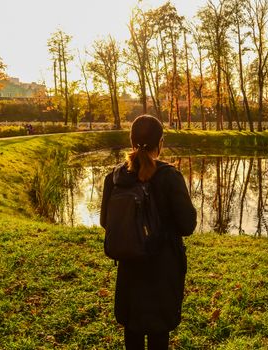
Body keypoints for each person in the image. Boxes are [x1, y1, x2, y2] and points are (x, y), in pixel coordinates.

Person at [100, 115, 197, 349]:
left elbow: (106, 222)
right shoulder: (170, 177)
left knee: (132, 329)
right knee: (158, 332)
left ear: (131, 141)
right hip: (162, 269)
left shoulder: (114, 177)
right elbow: (188, 226)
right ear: (160, 143)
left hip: (129, 266)